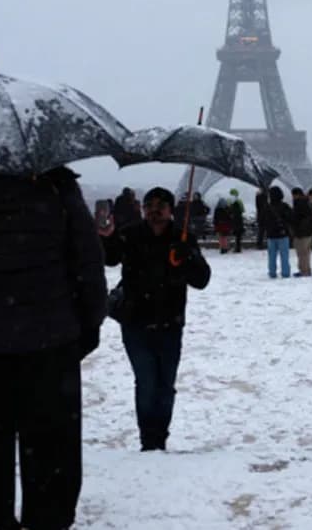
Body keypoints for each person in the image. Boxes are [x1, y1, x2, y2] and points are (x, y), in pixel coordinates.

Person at [0, 167, 107, 529]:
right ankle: (48, 518)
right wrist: (90, 321)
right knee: (51, 448)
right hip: (49, 336)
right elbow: (87, 257)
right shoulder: (56, 184)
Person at [99, 187, 211, 452]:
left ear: (171, 210)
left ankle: (160, 436)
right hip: (135, 322)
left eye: (160, 205)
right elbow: (110, 258)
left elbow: (201, 280)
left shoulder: (182, 238)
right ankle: (149, 440)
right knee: (147, 382)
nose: (154, 210)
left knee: (165, 386)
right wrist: (107, 236)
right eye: (149, 205)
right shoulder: (130, 234)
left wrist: (188, 256)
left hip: (170, 322)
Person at [262, 186, 293, 278]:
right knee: (284, 255)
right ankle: (285, 272)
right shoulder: (285, 206)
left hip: (271, 235)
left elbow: (262, 220)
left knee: (271, 256)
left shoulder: (267, 207)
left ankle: (272, 272)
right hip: (283, 233)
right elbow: (291, 218)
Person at [291, 187, 312, 277]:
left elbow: (296, 218)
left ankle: (303, 271)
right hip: (309, 232)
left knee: (302, 253)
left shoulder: (299, 204)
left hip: (301, 232)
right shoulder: (308, 203)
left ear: (296, 195)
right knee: (307, 252)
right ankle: (307, 270)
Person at [228, 188, 246, 253]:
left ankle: (229, 247)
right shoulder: (239, 201)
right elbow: (243, 210)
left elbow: (228, 210)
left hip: (232, 220)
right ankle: (238, 248)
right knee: (238, 235)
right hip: (239, 220)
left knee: (231, 234)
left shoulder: (229, 201)